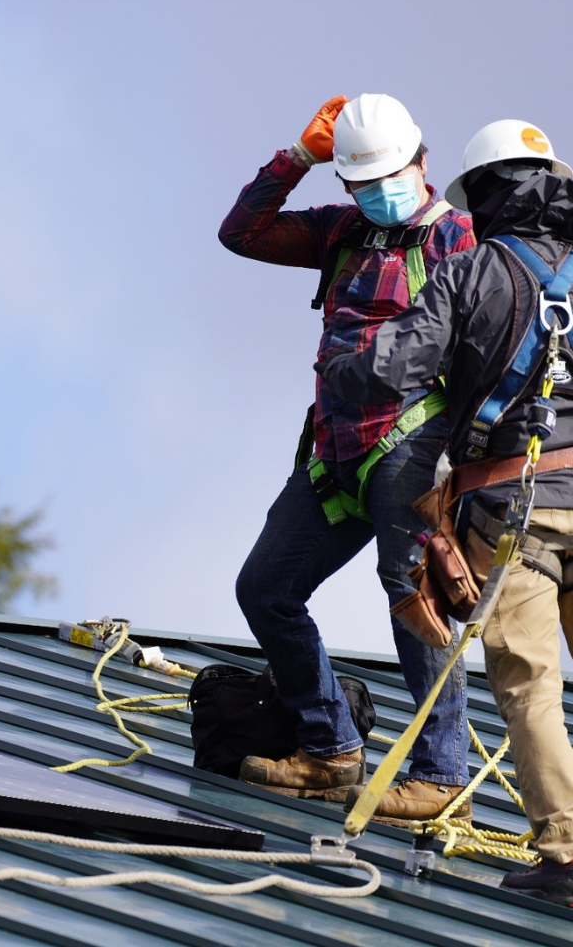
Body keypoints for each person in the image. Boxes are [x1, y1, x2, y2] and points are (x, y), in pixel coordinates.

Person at [321, 119, 573, 902]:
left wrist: (347, 363)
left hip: (516, 506)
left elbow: (392, 367)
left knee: (529, 681)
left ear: (487, 193)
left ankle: (566, 855)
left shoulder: (478, 270)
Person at [218, 93, 475, 822]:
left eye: (392, 175)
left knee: (412, 597)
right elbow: (242, 233)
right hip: (335, 450)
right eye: (363, 181)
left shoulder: (460, 237)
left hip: (413, 443)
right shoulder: (342, 231)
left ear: (423, 162)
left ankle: (441, 777)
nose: (381, 192)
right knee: (266, 587)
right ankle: (330, 749)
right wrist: (297, 158)